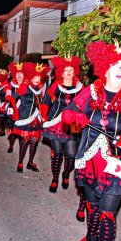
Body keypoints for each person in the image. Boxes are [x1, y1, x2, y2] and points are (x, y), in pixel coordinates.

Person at [62, 40, 121, 241]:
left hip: (117, 164)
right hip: (89, 161)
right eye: (117, 65)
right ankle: (90, 238)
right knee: (92, 205)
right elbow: (66, 114)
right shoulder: (91, 91)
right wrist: (76, 116)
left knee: (107, 213)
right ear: (106, 68)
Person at [41, 55, 84, 193]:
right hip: (56, 123)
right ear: (61, 72)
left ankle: (65, 174)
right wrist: (43, 117)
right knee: (58, 153)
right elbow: (46, 102)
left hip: (72, 125)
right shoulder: (55, 85)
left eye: (71, 69)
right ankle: (55, 179)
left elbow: (86, 105)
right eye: (66, 70)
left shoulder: (80, 88)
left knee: (71, 154)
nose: (69, 72)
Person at [7, 62, 49, 173]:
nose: (37, 79)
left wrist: (44, 115)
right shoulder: (25, 87)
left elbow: (41, 103)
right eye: (35, 76)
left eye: (39, 77)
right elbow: (12, 98)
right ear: (30, 76)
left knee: (34, 141)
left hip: (36, 120)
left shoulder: (39, 88)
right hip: (25, 118)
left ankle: (30, 163)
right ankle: (20, 163)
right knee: (24, 142)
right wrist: (15, 112)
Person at [5, 62, 25, 153]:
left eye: (21, 74)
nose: (19, 75)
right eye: (17, 74)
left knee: (22, 128)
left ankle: (22, 148)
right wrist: (10, 98)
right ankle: (11, 145)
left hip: (23, 110)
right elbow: (7, 95)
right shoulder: (11, 84)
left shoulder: (27, 85)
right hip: (12, 108)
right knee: (12, 127)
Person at [0, 69, 10, 136]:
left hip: (4, 106)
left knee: (3, 119)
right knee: (1, 119)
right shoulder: (1, 86)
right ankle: (2, 131)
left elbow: (8, 97)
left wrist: (3, 106)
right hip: (1, 105)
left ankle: (3, 132)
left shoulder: (6, 87)